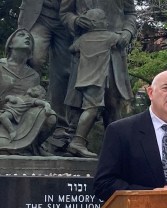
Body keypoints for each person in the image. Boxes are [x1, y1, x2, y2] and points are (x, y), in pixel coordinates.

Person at [94, 70, 167, 201]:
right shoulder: (121, 131)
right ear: (150, 93)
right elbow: (104, 184)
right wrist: (150, 194)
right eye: (166, 87)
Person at [60, 0, 137, 129]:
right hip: (86, 50)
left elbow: (130, 13)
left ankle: (114, 144)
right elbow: (65, 13)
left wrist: (128, 32)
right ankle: (75, 144)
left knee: (113, 103)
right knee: (78, 104)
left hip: (114, 48)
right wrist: (76, 20)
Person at [64, 8, 122, 157]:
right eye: (103, 18)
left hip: (83, 81)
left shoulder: (82, 40)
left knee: (89, 109)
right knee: (91, 109)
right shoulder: (109, 36)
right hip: (97, 81)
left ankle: (77, 141)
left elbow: (72, 49)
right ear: (96, 23)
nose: (106, 21)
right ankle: (77, 142)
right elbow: (121, 41)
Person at [17, 0, 73, 138]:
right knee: (33, 59)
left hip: (67, 19)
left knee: (64, 73)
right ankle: (23, 117)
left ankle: (59, 125)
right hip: (39, 15)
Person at [0, 29, 57, 155]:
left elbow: (35, 98)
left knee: (50, 117)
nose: (27, 38)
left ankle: (35, 146)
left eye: (30, 39)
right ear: (10, 44)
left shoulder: (34, 75)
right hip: (3, 112)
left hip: (23, 113)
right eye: (21, 35)